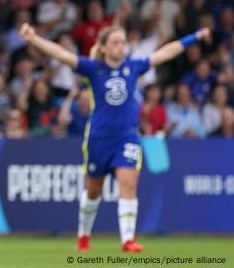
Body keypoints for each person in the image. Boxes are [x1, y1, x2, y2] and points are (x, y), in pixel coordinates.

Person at [19, 22, 210, 253]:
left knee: (128, 185)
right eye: (116, 42)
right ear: (104, 48)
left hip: (127, 137)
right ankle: (83, 237)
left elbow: (165, 52)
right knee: (93, 191)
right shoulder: (92, 68)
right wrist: (33, 38)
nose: (121, 46)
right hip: (99, 138)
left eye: (123, 42)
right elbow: (62, 54)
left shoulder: (134, 66)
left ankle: (127, 240)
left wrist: (193, 37)